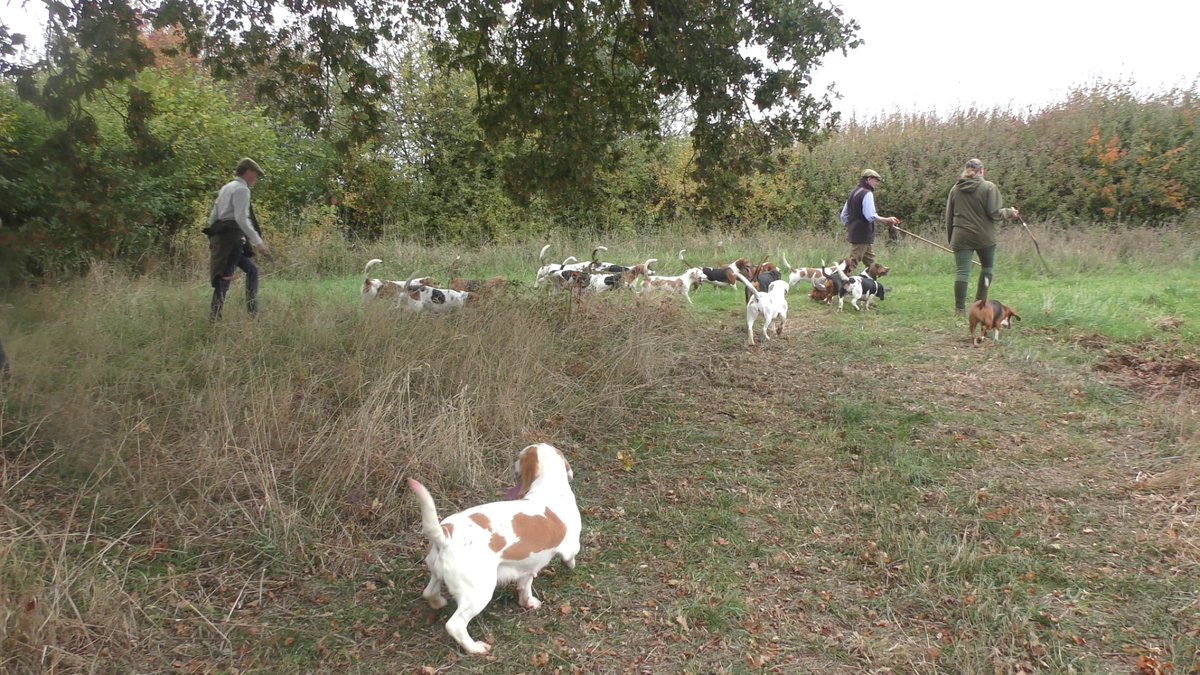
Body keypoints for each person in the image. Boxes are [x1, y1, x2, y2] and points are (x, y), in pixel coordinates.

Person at [944, 158, 1020, 315]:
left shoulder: (955, 189)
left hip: (961, 236)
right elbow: (994, 212)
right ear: (982, 171)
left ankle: (959, 309)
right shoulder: (989, 187)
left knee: (962, 272)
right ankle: (979, 304)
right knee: (987, 269)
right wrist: (1010, 213)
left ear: (966, 170)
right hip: (984, 236)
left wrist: (951, 237)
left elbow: (949, 216)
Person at [204, 158, 269, 319]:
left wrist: (211, 239)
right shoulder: (242, 190)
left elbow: (214, 216)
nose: (256, 179)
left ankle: (252, 310)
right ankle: (215, 319)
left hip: (224, 238)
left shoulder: (226, 188)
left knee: (252, 270)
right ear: (247, 172)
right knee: (224, 280)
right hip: (232, 240)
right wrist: (258, 242)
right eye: (255, 175)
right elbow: (241, 219)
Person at [840, 168, 900, 269]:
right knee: (853, 262)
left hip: (856, 232)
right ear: (868, 179)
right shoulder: (867, 193)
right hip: (862, 233)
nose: (877, 183)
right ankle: (837, 281)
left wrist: (851, 226)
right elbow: (870, 216)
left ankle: (874, 283)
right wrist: (887, 220)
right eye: (876, 180)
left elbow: (843, 215)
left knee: (870, 262)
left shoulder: (853, 192)